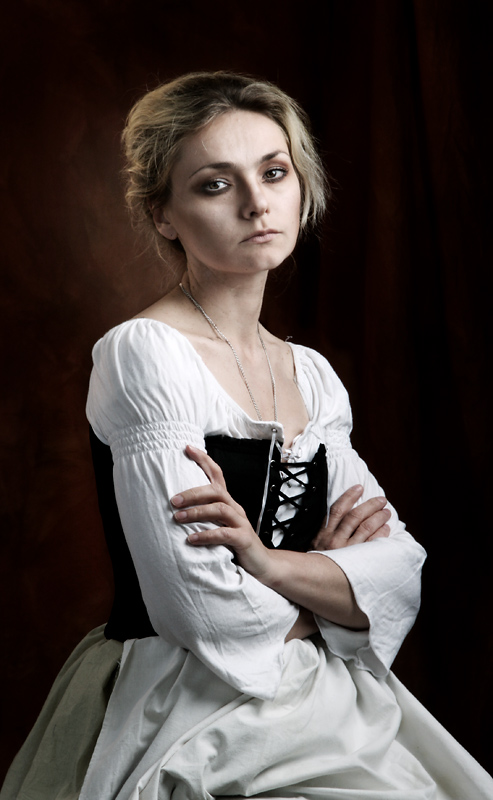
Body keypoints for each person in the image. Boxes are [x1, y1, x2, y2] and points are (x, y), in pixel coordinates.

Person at [2, 71, 492, 800]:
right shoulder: (145, 352)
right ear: (164, 216)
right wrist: (327, 590)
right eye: (214, 184)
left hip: (328, 702)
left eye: (273, 172)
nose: (257, 203)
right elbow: (199, 607)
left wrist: (263, 562)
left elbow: (399, 572)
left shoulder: (312, 375)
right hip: (185, 702)